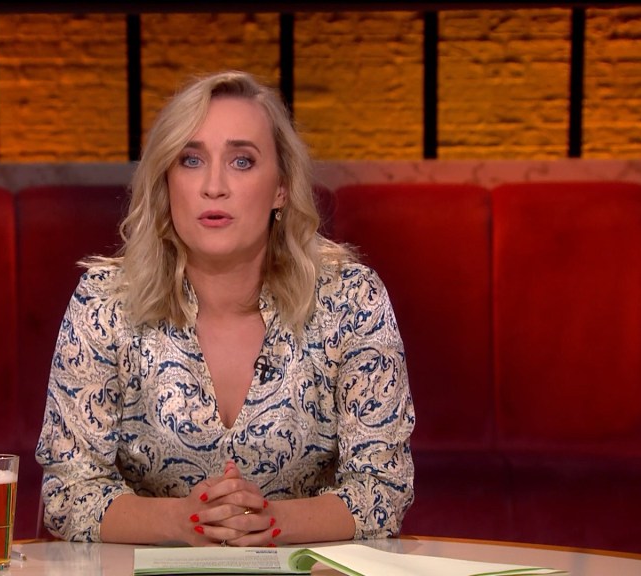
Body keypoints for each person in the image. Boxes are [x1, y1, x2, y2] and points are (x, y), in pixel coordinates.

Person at [36, 70, 414, 547]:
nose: (214, 186)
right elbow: (69, 493)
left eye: (242, 161)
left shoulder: (351, 301)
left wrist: (271, 522)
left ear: (281, 188)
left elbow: (383, 488)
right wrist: (182, 522)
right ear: (166, 182)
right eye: (191, 160)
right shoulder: (104, 303)